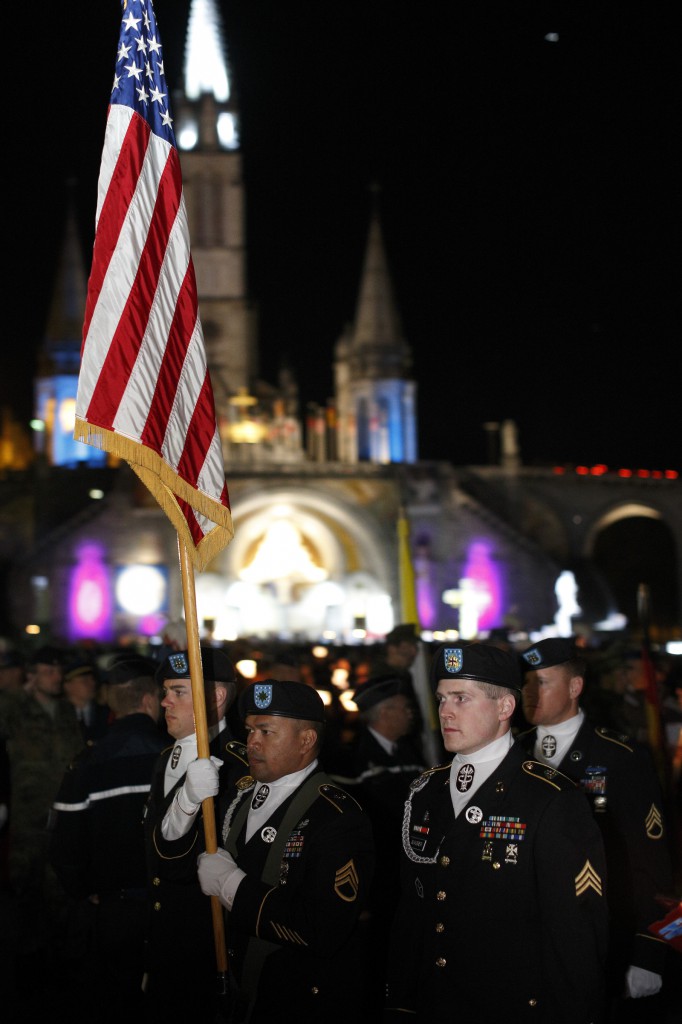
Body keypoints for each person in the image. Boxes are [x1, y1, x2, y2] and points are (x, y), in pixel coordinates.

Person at [385, 641, 609, 1024]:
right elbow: (413, 912)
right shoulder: (425, 791)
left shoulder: (549, 799)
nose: (445, 712)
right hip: (435, 1003)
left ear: (505, 707)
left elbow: (575, 933)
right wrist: (400, 1001)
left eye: (461, 698)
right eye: (441, 699)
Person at [195, 678, 375, 1024]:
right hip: (234, 988)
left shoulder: (336, 817)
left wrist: (232, 885)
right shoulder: (240, 797)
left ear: (306, 740)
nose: (251, 743)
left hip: (291, 999)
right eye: (249, 731)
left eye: (266, 732)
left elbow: (323, 928)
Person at [518, 637, 675, 1023]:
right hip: (529, 939)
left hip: (604, 935)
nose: (530, 693)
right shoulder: (511, 754)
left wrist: (647, 951)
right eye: (525, 684)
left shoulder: (620, 758)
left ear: (575, 687)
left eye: (543, 682)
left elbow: (649, 863)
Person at [48, 654, 167, 1023]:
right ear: (149, 700)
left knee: (114, 999)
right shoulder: (173, 757)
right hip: (168, 908)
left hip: (112, 909)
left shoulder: (87, 762)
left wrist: (84, 888)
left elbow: (63, 844)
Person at [142, 646, 248, 1023]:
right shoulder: (165, 757)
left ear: (216, 698)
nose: (165, 701)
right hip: (164, 932)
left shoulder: (240, 768)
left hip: (205, 938)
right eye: (165, 691)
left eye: (179, 691)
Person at [0, 644, 85, 993]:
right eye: (48, 671)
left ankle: (55, 967)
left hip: (62, 819)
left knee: (60, 893)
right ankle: (26, 968)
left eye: (58, 671)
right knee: (25, 892)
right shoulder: (11, 709)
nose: (57, 677)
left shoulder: (67, 711)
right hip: (26, 818)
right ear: (32, 676)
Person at [344, 673, 426, 1018]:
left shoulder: (410, 750)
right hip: (377, 880)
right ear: (383, 712)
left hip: (407, 874)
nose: (411, 714)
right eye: (403, 708)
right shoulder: (353, 759)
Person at [370, 623, 426, 758]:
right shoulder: (384, 678)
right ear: (392, 648)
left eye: (415, 647)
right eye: (408, 646)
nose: (414, 652)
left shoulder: (403, 675)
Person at [62, 656, 111, 743]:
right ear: (68, 686)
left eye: (92, 679)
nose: (92, 683)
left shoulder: (105, 713)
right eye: (84, 681)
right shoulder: (60, 715)